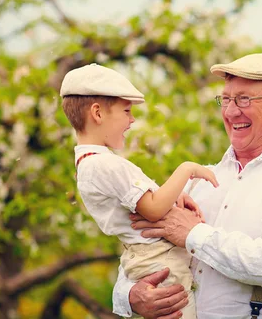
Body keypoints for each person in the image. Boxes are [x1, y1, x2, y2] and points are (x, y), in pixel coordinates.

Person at [112, 53, 262, 319]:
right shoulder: (196, 181)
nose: (231, 111)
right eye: (227, 99)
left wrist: (193, 234)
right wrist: (130, 296)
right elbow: (139, 253)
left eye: (244, 99)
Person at [60, 63, 220, 319]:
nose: (132, 120)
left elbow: (143, 201)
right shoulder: (105, 164)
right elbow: (154, 209)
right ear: (98, 113)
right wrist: (186, 169)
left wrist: (174, 197)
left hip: (149, 259)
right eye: (126, 111)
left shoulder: (91, 163)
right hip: (162, 261)